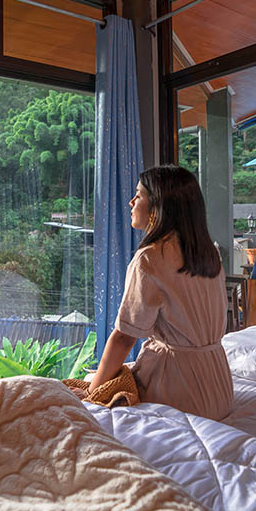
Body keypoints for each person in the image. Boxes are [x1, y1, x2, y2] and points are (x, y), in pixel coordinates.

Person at [85, 165, 234, 420]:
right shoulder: (209, 254)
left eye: (138, 195)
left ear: (158, 206)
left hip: (177, 392)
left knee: (94, 382)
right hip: (219, 390)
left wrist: (91, 394)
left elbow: (124, 338)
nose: (131, 202)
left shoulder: (150, 258)